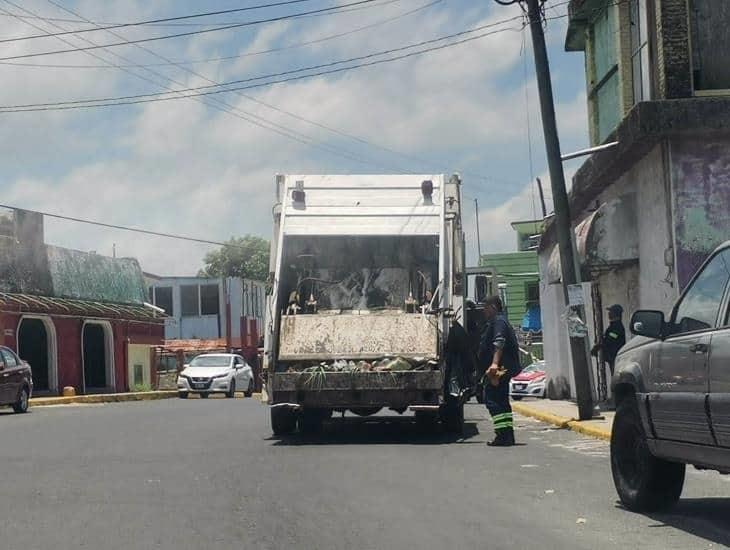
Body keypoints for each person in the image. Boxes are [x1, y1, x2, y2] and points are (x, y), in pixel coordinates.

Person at [479, 295, 521, 447]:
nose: (484, 311)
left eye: (486, 308)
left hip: (501, 367)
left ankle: (502, 435)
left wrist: (494, 364)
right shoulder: (499, 321)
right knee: (502, 401)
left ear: (493, 307)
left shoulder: (498, 321)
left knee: (492, 399)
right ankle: (507, 435)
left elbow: (499, 341)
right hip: (503, 366)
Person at [591, 304, 626, 377]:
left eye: (611, 311)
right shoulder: (613, 326)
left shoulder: (617, 327)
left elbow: (610, 340)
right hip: (613, 358)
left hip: (616, 359)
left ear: (616, 314)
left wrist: (598, 346)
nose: (609, 313)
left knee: (616, 377)